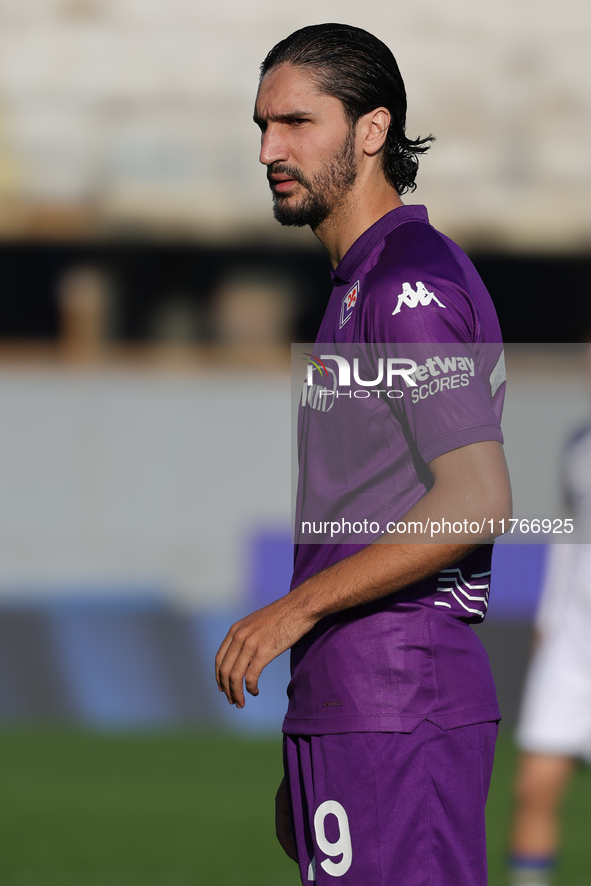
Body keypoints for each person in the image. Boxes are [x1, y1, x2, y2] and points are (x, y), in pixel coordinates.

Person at [215, 23, 512, 885]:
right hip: (353, 709)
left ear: (371, 130)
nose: (271, 148)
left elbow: (476, 497)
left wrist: (290, 612)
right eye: (262, 126)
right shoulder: (356, 287)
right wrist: (310, 726)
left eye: (297, 123)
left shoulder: (403, 288)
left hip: (400, 701)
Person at [509, 423, 591, 886]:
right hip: (572, 644)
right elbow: (568, 537)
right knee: (534, 787)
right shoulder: (578, 445)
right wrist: (548, 616)